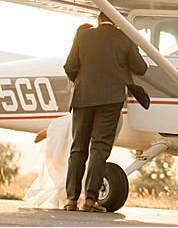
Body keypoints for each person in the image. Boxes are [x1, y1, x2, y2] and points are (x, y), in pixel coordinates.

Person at [62, 13, 147, 212]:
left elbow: (70, 67)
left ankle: (71, 199)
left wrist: (82, 80)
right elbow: (140, 68)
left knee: (78, 148)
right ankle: (90, 200)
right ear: (117, 22)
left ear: (98, 20)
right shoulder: (124, 38)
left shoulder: (83, 36)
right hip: (110, 101)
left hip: (83, 98)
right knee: (99, 148)